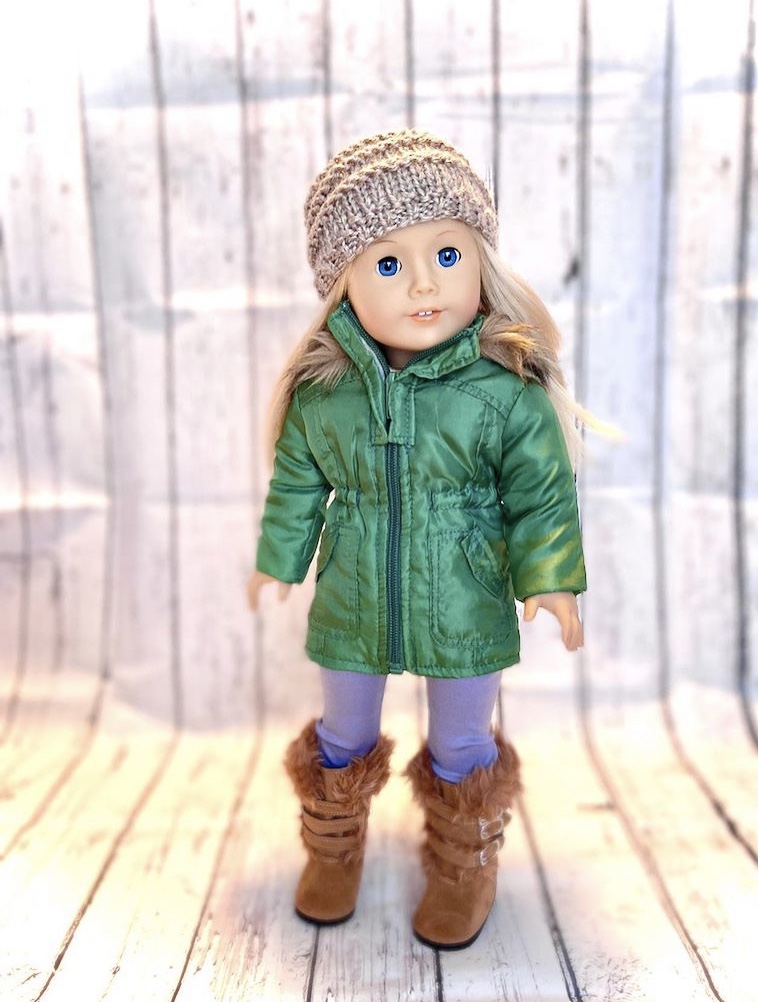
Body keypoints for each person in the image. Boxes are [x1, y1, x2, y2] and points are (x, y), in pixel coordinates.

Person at [247, 129, 587, 950]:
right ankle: (334, 851)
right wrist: (278, 562)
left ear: (482, 264)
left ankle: (465, 865)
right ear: (343, 284)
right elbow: (297, 487)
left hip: (466, 598)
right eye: (389, 263)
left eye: (447, 253)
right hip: (354, 597)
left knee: (463, 742)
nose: (425, 282)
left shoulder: (505, 391)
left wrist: (550, 578)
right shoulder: (326, 396)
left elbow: (541, 493)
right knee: (342, 735)